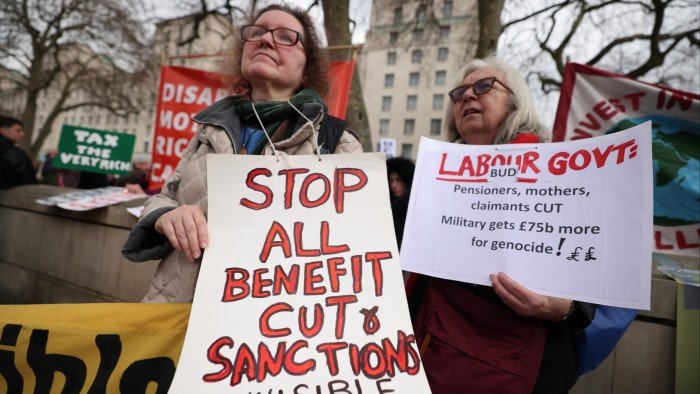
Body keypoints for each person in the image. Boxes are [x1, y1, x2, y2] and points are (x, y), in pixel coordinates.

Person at [122, 5, 362, 303]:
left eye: (286, 36)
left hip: (273, 325)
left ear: (307, 68)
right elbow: (164, 196)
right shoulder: (209, 130)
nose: (266, 40)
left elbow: (353, 249)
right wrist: (167, 215)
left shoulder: (337, 142)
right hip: (178, 313)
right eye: (257, 32)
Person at [407, 56, 596, 394]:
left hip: (516, 366)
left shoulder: (557, 174)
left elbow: (587, 302)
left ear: (516, 103)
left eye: (483, 87)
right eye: (459, 93)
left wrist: (557, 309)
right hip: (431, 354)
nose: (467, 96)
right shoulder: (433, 179)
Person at [0, 115, 37, 189]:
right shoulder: (16, 154)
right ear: (3, 131)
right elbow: (29, 183)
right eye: (18, 130)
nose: (23, 134)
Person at [386, 157, 414, 248]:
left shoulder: (414, 208)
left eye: (398, 180)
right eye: (391, 181)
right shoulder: (385, 206)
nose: (394, 185)